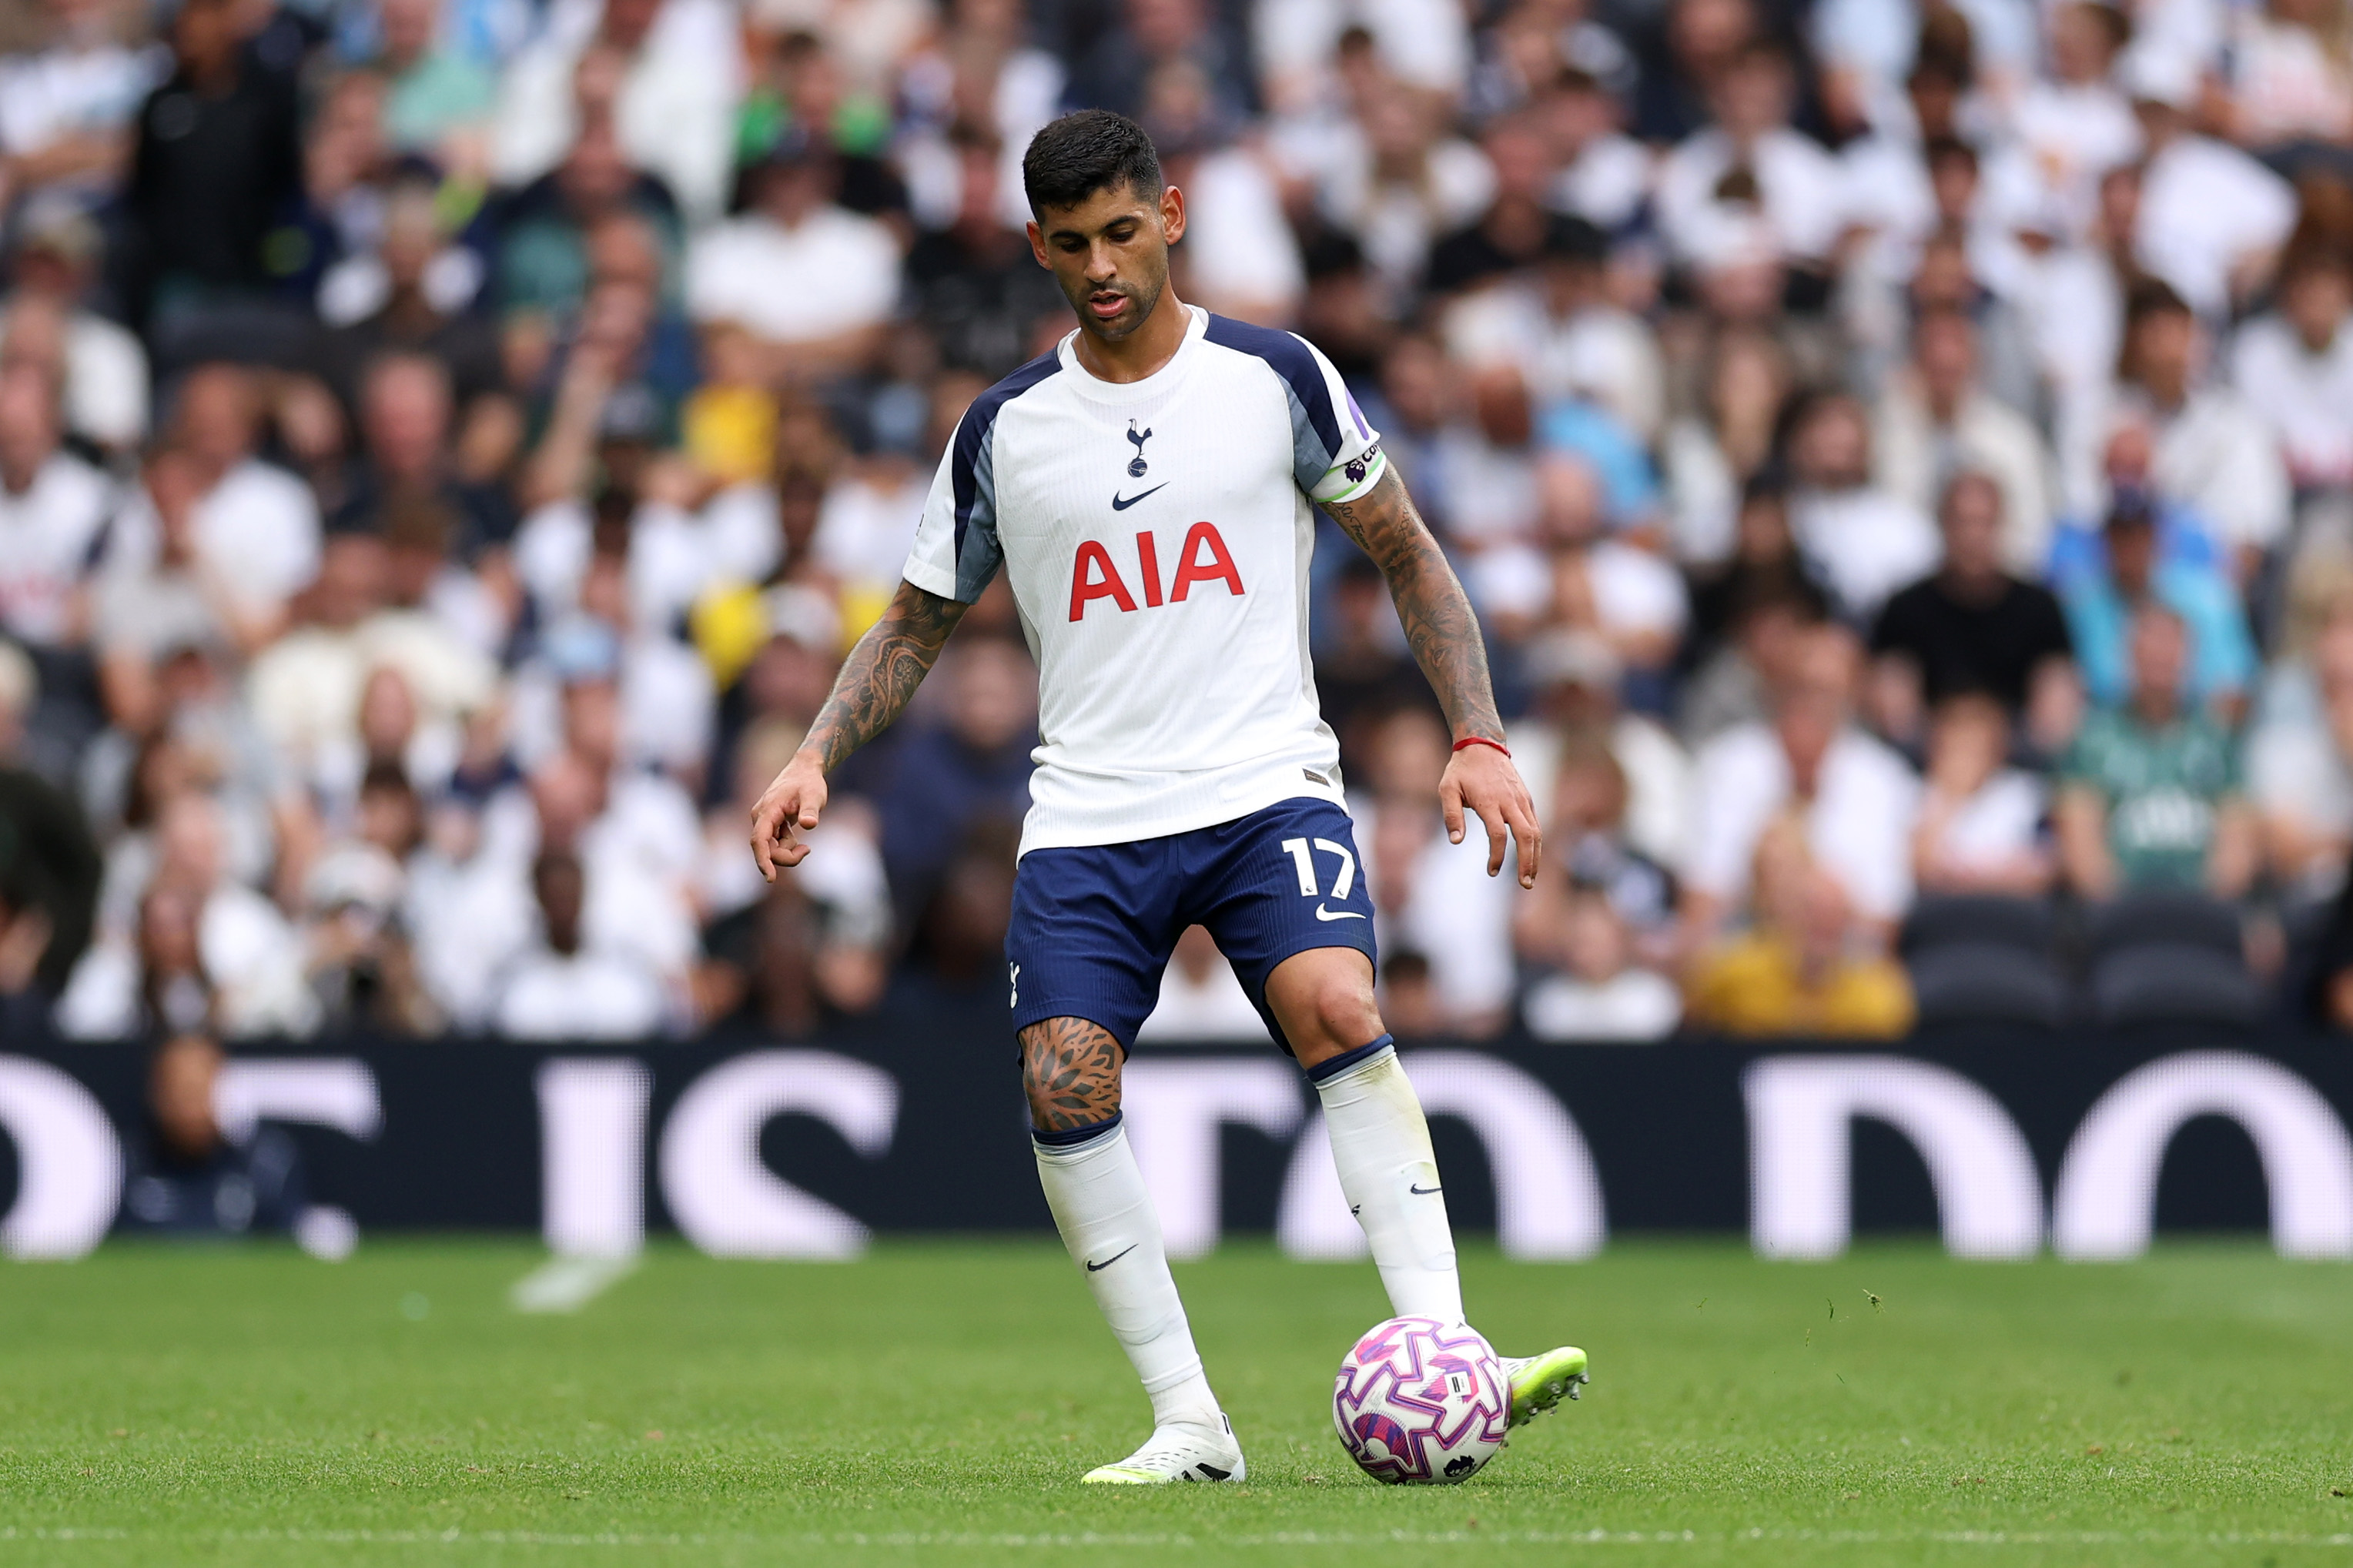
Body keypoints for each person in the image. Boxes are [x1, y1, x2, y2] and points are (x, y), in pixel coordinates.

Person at [748, 111, 1582, 1486]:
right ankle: (1192, 1425)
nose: (1102, 267)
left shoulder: (1274, 375)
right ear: (1036, 246)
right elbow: (912, 623)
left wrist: (1479, 733)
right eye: (1070, 245)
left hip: (1265, 785)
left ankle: (1448, 1351)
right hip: (1091, 811)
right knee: (1063, 1076)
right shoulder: (1006, 428)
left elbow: (1411, 559)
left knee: (1338, 1001)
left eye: (1123, 233)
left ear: (1173, 214)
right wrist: (811, 756)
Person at [2056, 603, 2258, 901]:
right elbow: (2082, 853)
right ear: (2128, 653)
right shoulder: (2090, 740)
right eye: (2150, 645)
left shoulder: (2219, 739)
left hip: (2203, 909)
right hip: (2116, 912)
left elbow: (2237, 850)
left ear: (2189, 655)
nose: (2160, 657)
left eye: (2170, 645)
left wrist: (2200, 908)